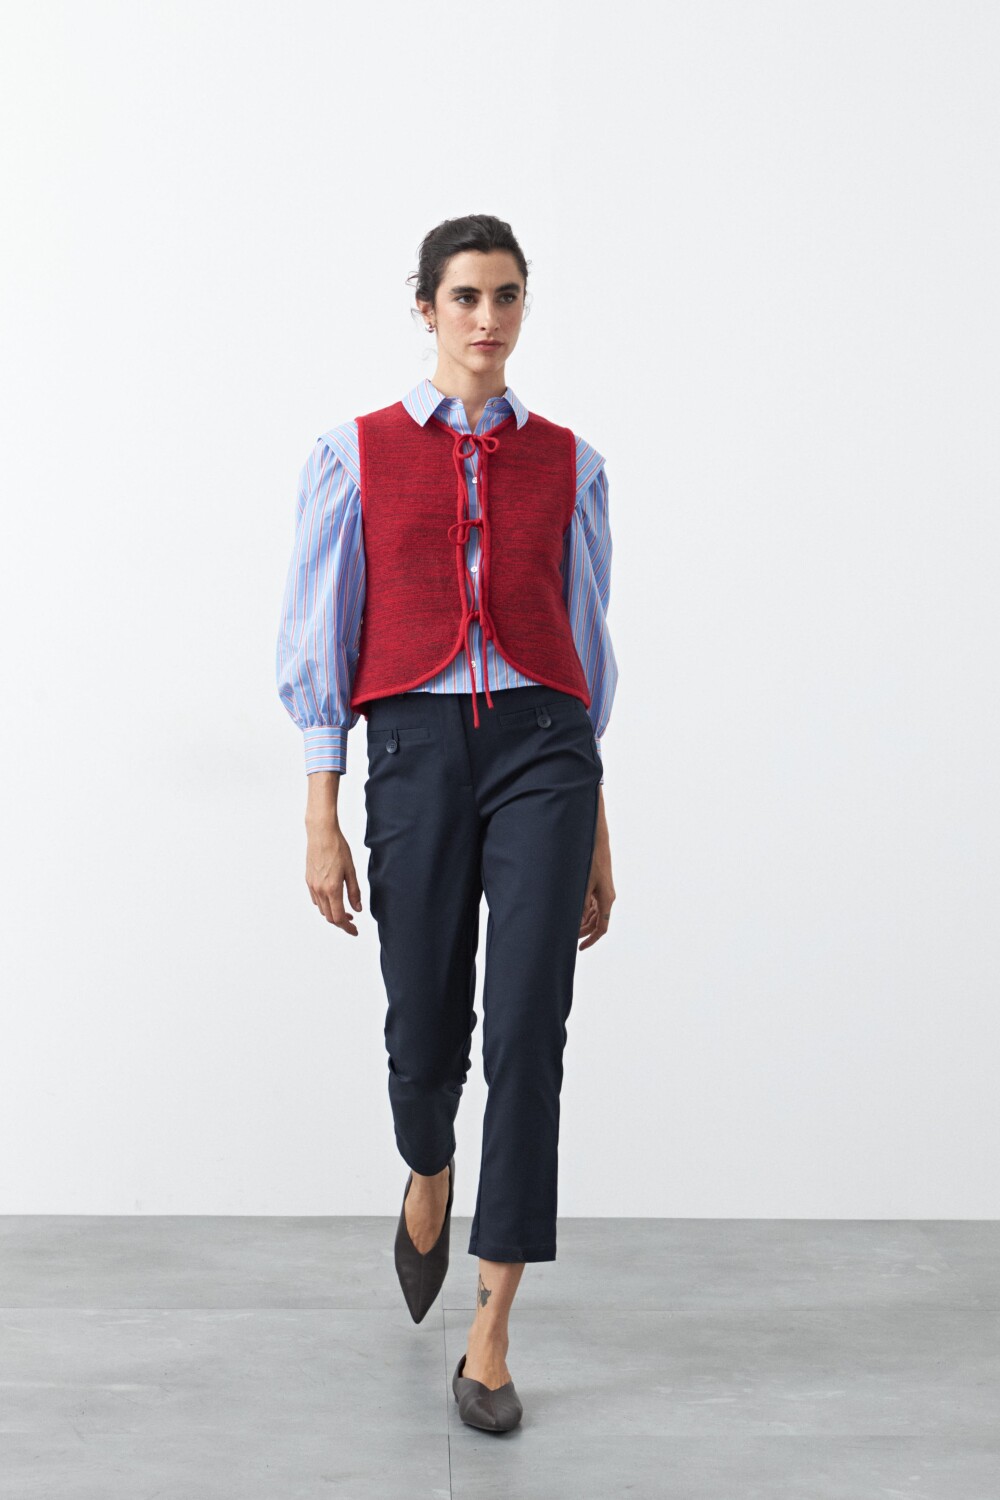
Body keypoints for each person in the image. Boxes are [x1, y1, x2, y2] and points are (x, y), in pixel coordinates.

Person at [275, 213, 618, 1432]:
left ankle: (492, 1332)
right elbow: (319, 636)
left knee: (528, 1031)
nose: (487, 318)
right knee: (424, 1029)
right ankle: (429, 1166)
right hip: (413, 751)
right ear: (425, 306)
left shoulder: (571, 463)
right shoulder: (352, 454)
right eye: (465, 296)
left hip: (545, 752)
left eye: (506, 295)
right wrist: (321, 809)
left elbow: (585, 646)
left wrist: (598, 825)